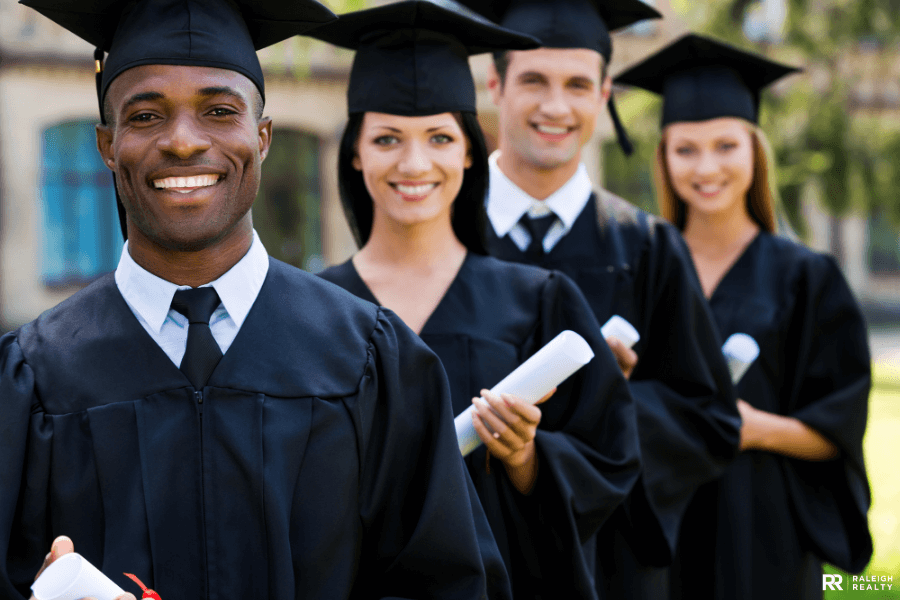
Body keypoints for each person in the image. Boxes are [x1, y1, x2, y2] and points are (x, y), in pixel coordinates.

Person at [1, 1, 513, 598]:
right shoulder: (32, 377)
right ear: (107, 145)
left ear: (262, 137)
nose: (185, 141)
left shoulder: (372, 357)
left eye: (220, 111)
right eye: (146, 116)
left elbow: (447, 581)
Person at [311, 2, 642, 598]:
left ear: (468, 149)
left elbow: (611, 460)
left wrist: (526, 458)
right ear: (355, 151)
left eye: (439, 137)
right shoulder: (311, 312)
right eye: (387, 138)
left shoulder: (541, 301)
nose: (415, 163)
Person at [454, 0, 743, 598]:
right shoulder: (442, 237)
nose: (556, 106)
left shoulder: (648, 246)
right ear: (495, 83)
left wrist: (606, 399)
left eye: (578, 84)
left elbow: (708, 419)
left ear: (605, 92)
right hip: (470, 554)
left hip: (611, 566)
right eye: (534, 79)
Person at [615, 33, 873, 600]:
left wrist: (754, 429)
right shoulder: (637, 268)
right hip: (658, 523)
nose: (706, 167)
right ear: (663, 157)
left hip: (762, 528)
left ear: (754, 151)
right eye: (685, 149)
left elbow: (839, 425)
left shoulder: (805, 275)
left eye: (725, 146)